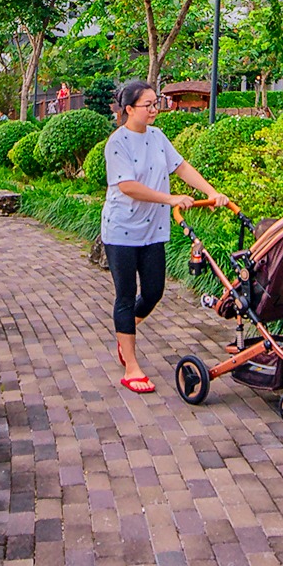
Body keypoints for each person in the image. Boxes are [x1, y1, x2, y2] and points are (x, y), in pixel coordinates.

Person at [102, 78, 227, 395]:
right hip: (121, 229)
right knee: (126, 295)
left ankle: (125, 331)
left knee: (154, 291)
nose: (155, 109)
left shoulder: (158, 137)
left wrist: (212, 192)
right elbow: (127, 186)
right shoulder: (117, 143)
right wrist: (170, 199)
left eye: (156, 103)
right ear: (129, 109)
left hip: (152, 229)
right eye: (148, 105)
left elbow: (181, 167)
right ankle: (131, 365)